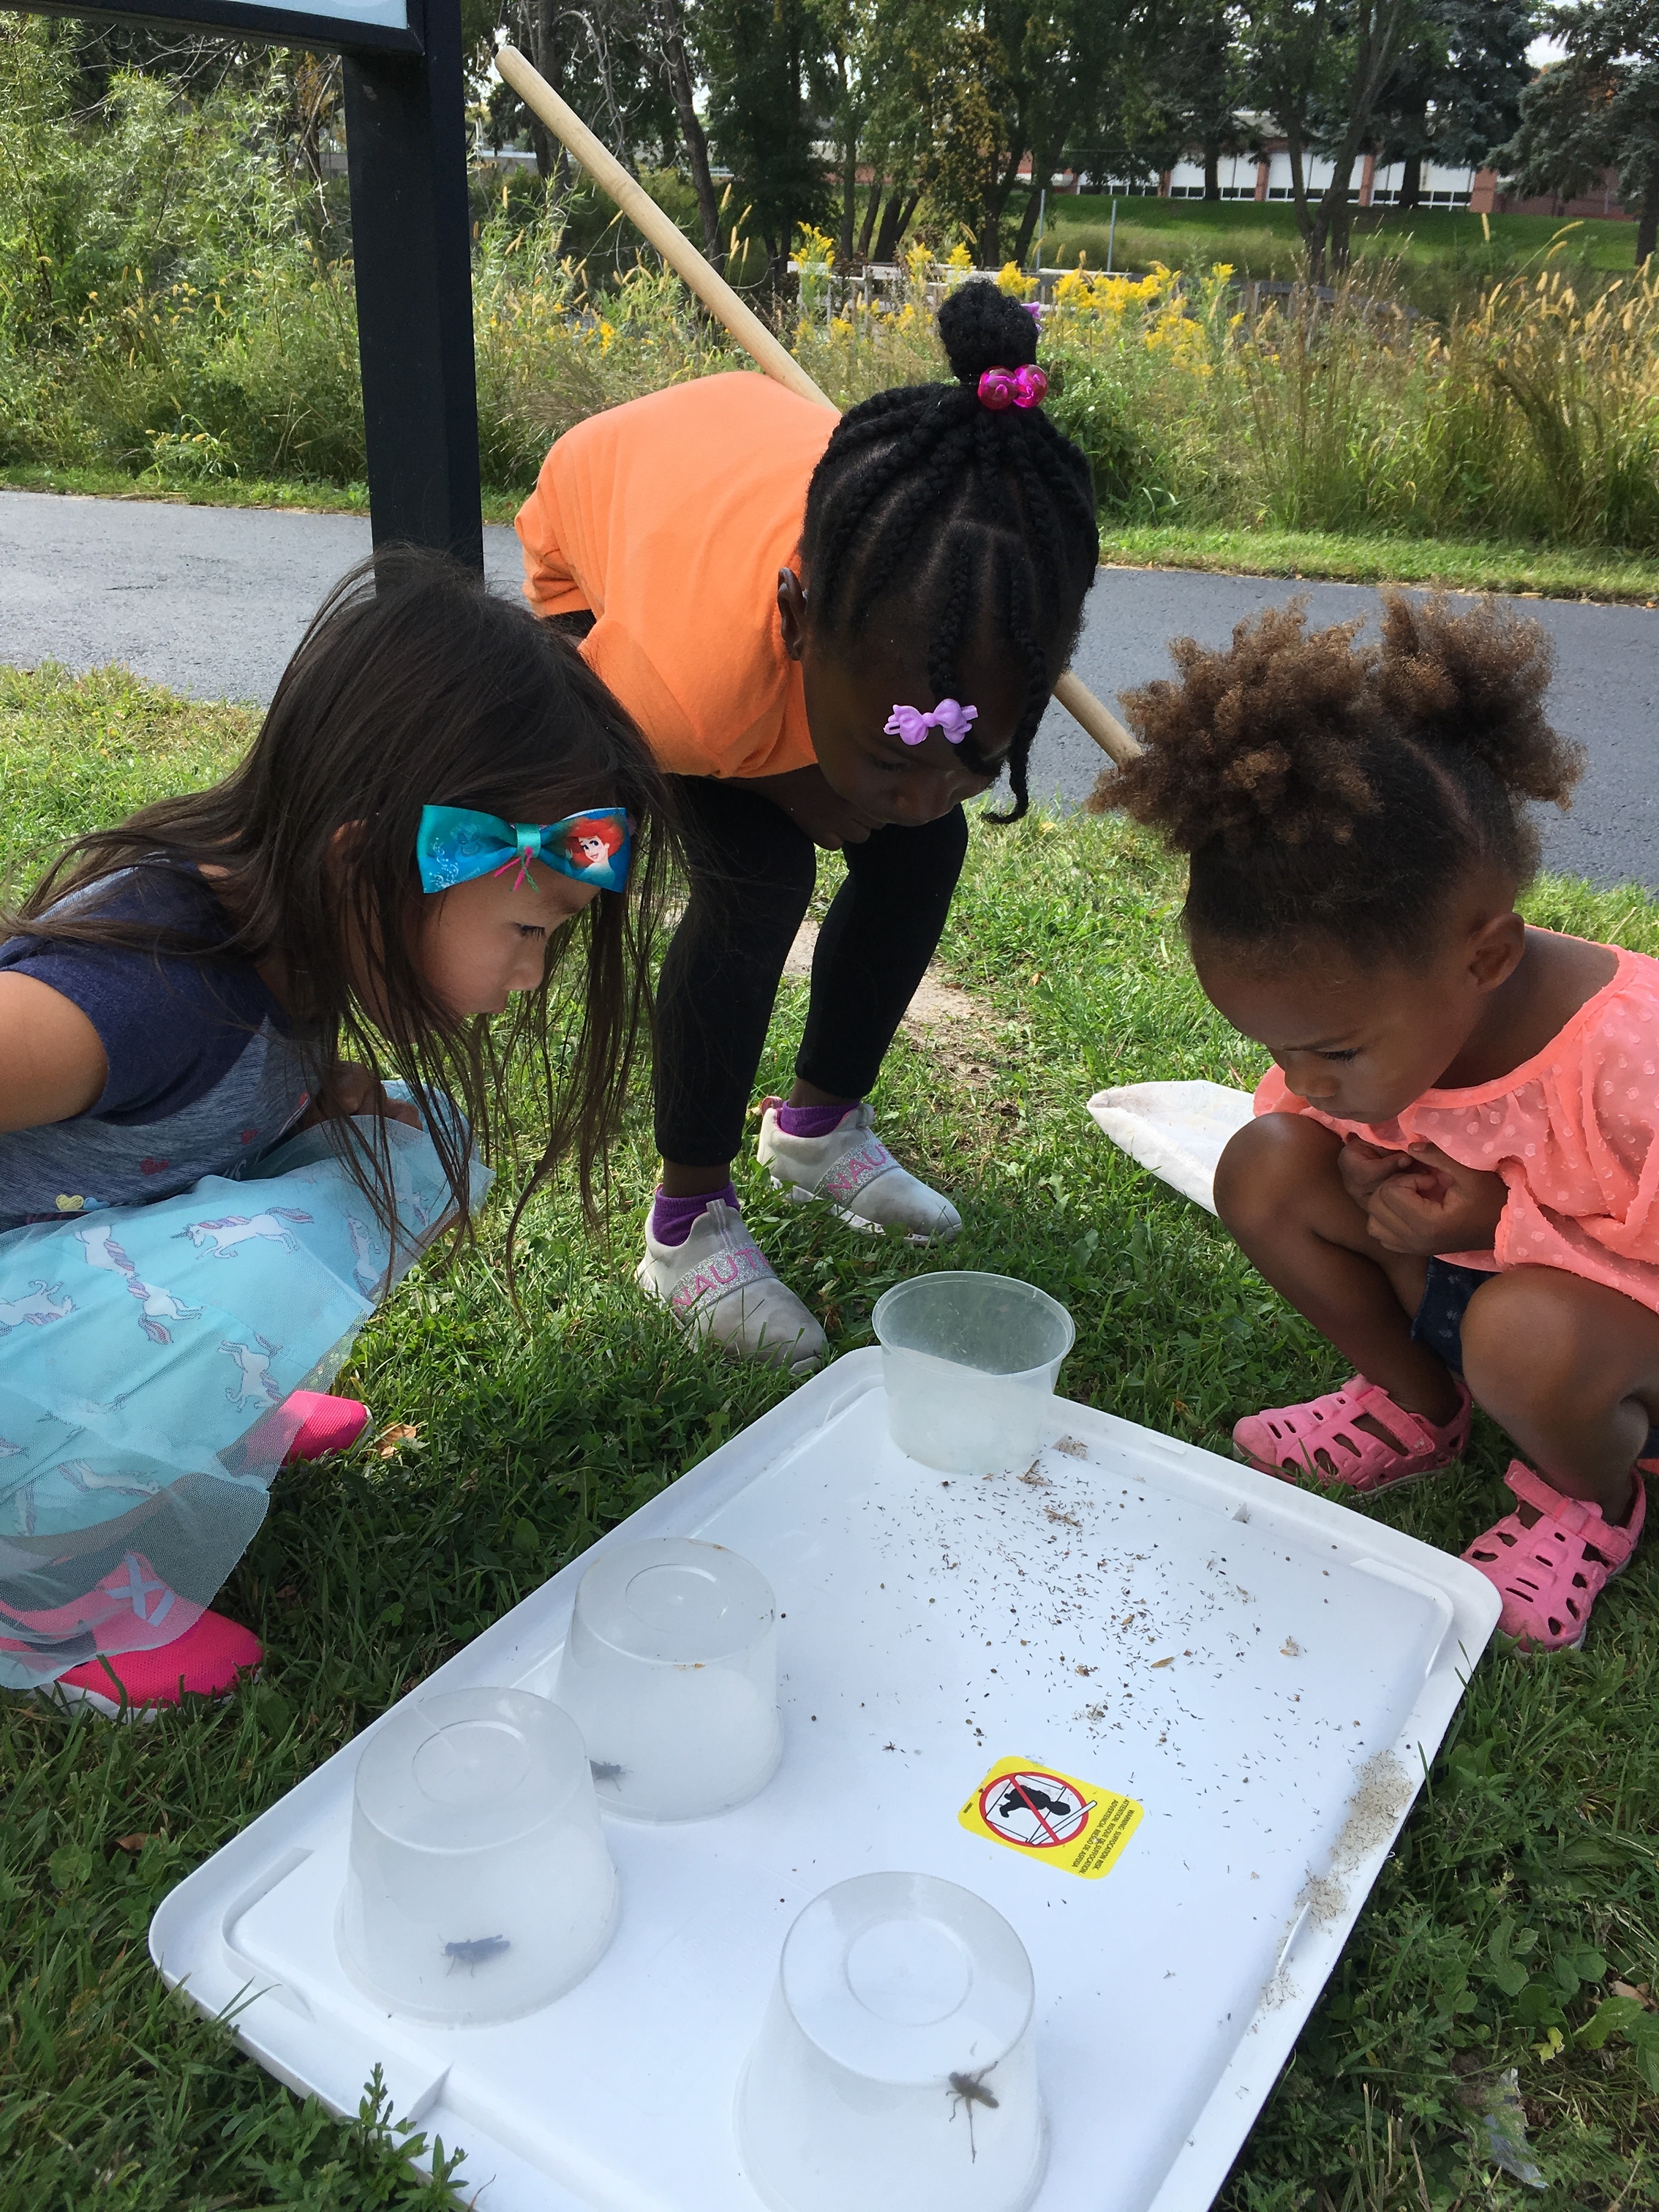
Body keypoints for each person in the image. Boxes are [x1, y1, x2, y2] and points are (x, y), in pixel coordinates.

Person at [0, 552, 674, 1714]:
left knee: (422, 1137)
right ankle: (41, 1603)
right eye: (525, 927)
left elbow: (213, 1096)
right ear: (361, 862)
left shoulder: (296, 928)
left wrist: (316, 1096)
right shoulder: (127, 997)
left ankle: (197, 1411)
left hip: (75, 1259)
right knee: (264, 1264)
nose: (531, 973)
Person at [516, 279, 1099, 1371]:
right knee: (757, 874)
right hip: (607, 550)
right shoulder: (675, 685)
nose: (926, 782)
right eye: (893, 753)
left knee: (924, 842)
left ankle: (818, 1128)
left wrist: (880, 780)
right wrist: (795, 791)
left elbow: (918, 775)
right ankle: (684, 1227)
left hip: (760, 524)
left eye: (973, 757)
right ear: (797, 627)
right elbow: (590, 787)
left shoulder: (967, 598)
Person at [1106, 592, 1652, 1652]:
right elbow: (1307, 1143)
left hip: (1601, 1355)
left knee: (1524, 1333)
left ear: (1485, 958)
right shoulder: (1390, 1021)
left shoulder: (1632, 1061)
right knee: (1265, 1166)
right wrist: (1356, 1171)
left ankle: (1593, 1501)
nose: (1303, 1081)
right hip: (1469, 1305)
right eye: (1277, 1050)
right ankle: (1417, 1408)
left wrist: (1495, 1227)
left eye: (1334, 1053)